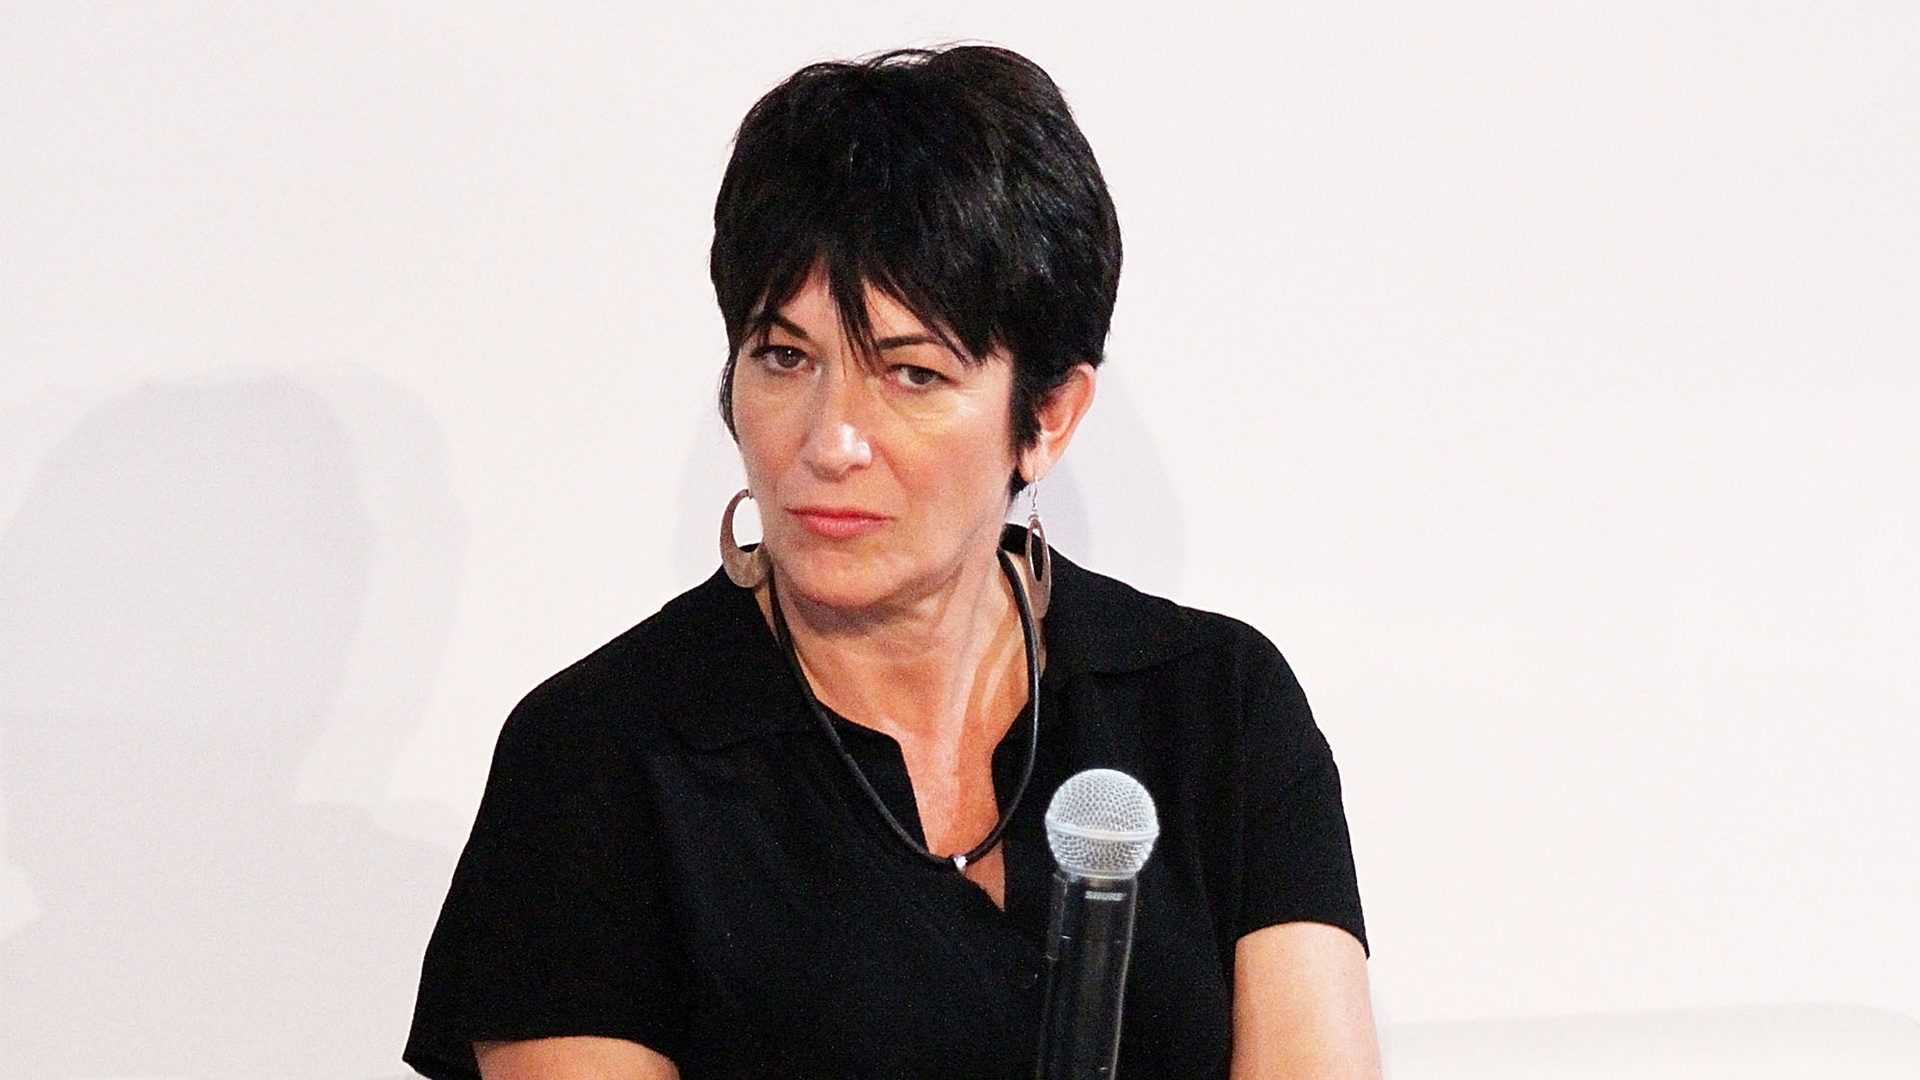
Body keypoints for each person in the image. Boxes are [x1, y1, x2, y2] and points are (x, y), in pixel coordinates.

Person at [406, 45, 1380, 1080]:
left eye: (911, 373)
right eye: (785, 358)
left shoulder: (1213, 707)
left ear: (1047, 417)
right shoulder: (603, 760)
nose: (830, 441)